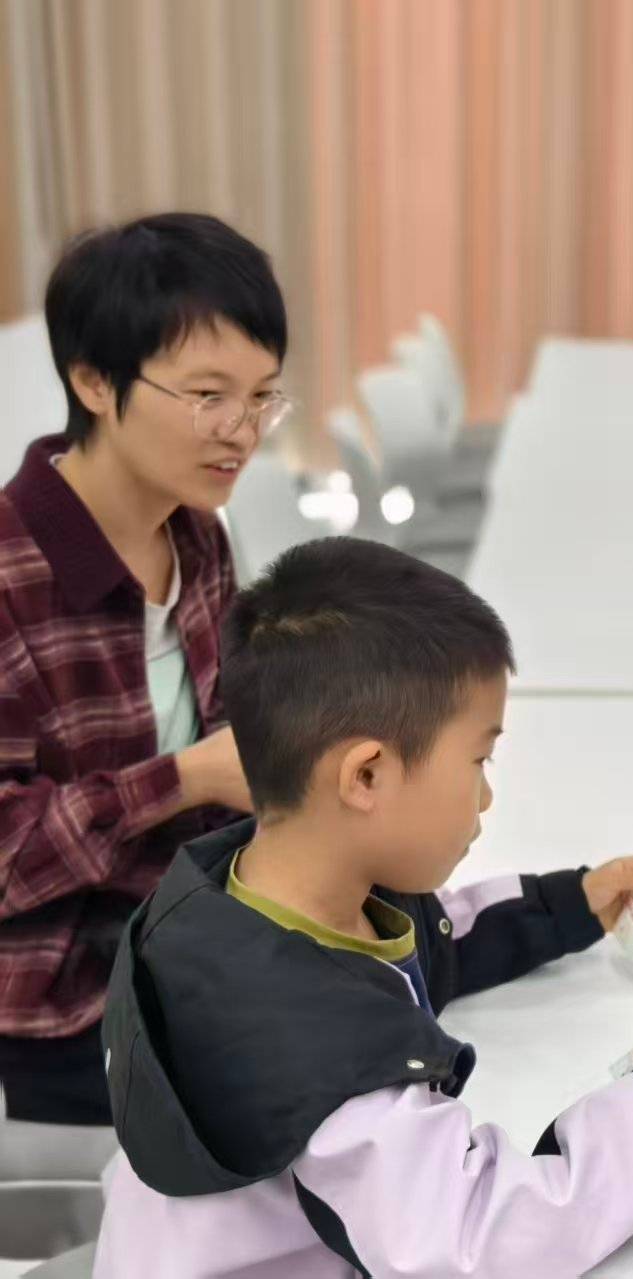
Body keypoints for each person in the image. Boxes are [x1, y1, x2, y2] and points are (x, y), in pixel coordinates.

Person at [95, 537, 633, 1277]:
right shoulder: (327, 1073)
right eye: (479, 759)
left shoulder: (246, 890)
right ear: (366, 776)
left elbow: (428, 934)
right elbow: (481, 1237)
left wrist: (564, 907)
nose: (487, 794)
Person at [0, 213, 279, 1125]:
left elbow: (231, 741)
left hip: (175, 940)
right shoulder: (10, 577)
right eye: (207, 396)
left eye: (262, 397)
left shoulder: (197, 536)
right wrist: (184, 778)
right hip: (53, 1009)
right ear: (93, 381)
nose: (241, 431)